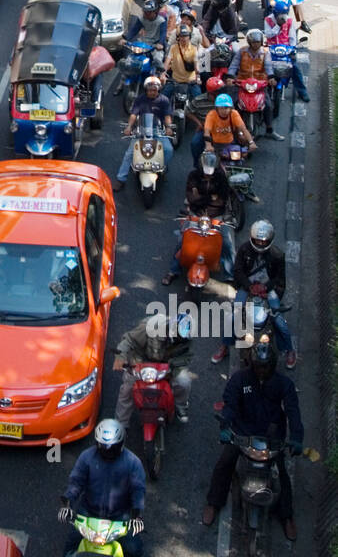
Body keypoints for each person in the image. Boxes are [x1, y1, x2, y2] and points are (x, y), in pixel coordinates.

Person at [202, 336, 303, 538]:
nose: (261, 371)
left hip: (272, 437)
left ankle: (287, 516)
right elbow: (229, 405)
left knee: (282, 473)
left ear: (272, 365)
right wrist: (226, 426)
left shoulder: (284, 385)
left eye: (265, 367)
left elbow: (293, 413)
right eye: (258, 366)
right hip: (242, 433)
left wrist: (297, 438)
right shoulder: (239, 379)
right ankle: (214, 502)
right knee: (225, 463)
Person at [54, 419, 146, 557]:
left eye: (111, 447)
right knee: (73, 541)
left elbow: (138, 491)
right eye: (103, 446)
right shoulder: (87, 458)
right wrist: (67, 503)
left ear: (120, 444)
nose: (107, 451)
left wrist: (136, 516)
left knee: (134, 548)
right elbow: (76, 483)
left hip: (120, 515)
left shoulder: (133, 463)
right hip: (89, 510)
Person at [211, 219, 294, 366]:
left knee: (278, 318)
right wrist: (249, 286)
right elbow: (238, 271)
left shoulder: (277, 255)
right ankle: (225, 345)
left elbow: (279, 279)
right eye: (258, 241)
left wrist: (266, 288)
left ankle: (289, 350)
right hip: (247, 287)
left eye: (264, 241)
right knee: (233, 315)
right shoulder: (244, 250)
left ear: (270, 240)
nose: (261, 244)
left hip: (267, 290)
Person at [162, 149, 236, 283]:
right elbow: (191, 198)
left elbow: (222, 201)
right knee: (182, 240)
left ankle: (230, 274)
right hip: (196, 214)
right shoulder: (193, 176)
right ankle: (173, 271)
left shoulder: (221, 178)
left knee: (227, 243)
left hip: (216, 216)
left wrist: (201, 197)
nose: (208, 177)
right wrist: (211, 198)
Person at [113, 311, 193, 425]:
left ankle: (180, 405)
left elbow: (186, 357)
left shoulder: (186, 338)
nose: (177, 339)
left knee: (184, 382)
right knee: (127, 389)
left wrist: (173, 367)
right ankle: (120, 424)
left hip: (168, 366)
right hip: (142, 361)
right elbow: (129, 340)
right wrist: (120, 357)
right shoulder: (150, 326)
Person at [115, 75, 175, 189]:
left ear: (158, 90)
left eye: (155, 90)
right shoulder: (140, 99)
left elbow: (167, 116)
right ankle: (121, 179)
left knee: (168, 149)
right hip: (142, 129)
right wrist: (129, 127)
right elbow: (133, 114)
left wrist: (168, 127)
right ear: (146, 89)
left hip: (158, 130)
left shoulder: (164, 100)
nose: (153, 92)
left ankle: (161, 168)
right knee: (130, 153)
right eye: (150, 90)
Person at [225, 28, 282, 139]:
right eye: (254, 42)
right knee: (232, 103)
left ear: (261, 42)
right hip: (242, 83)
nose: (256, 44)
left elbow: (268, 67)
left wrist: (271, 78)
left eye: (257, 42)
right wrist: (230, 77)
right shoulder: (242, 52)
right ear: (249, 42)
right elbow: (233, 66)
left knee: (268, 105)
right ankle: (231, 128)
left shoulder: (265, 53)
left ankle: (269, 130)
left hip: (260, 85)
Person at [189, 91, 257, 168]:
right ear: (217, 108)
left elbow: (243, 129)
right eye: (221, 108)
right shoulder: (211, 115)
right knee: (208, 166)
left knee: (242, 157)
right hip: (215, 146)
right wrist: (208, 146)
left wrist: (251, 142)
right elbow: (207, 132)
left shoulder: (234, 114)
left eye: (226, 108)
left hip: (230, 144)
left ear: (230, 108)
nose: (224, 110)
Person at [263, 9, 310, 101]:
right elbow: (268, 35)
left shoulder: (289, 20)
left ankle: (302, 91)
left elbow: (292, 37)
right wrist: (278, 25)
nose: (282, 17)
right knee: (262, 67)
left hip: (286, 50)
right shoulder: (268, 20)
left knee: (295, 69)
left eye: (283, 14)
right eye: (280, 14)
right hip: (272, 49)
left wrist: (293, 49)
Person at [123, 0, 167, 69]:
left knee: (157, 57)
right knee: (131, 57)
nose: (146, 14)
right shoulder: (141, 19)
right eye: (145, 12)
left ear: (155, 12)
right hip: (144, 43)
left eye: (149, 12)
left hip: (155, 44)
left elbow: (163, 33)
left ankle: (157, 74)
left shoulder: (161, 20)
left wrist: (160, 43)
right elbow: (134, 30)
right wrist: (125, 39)